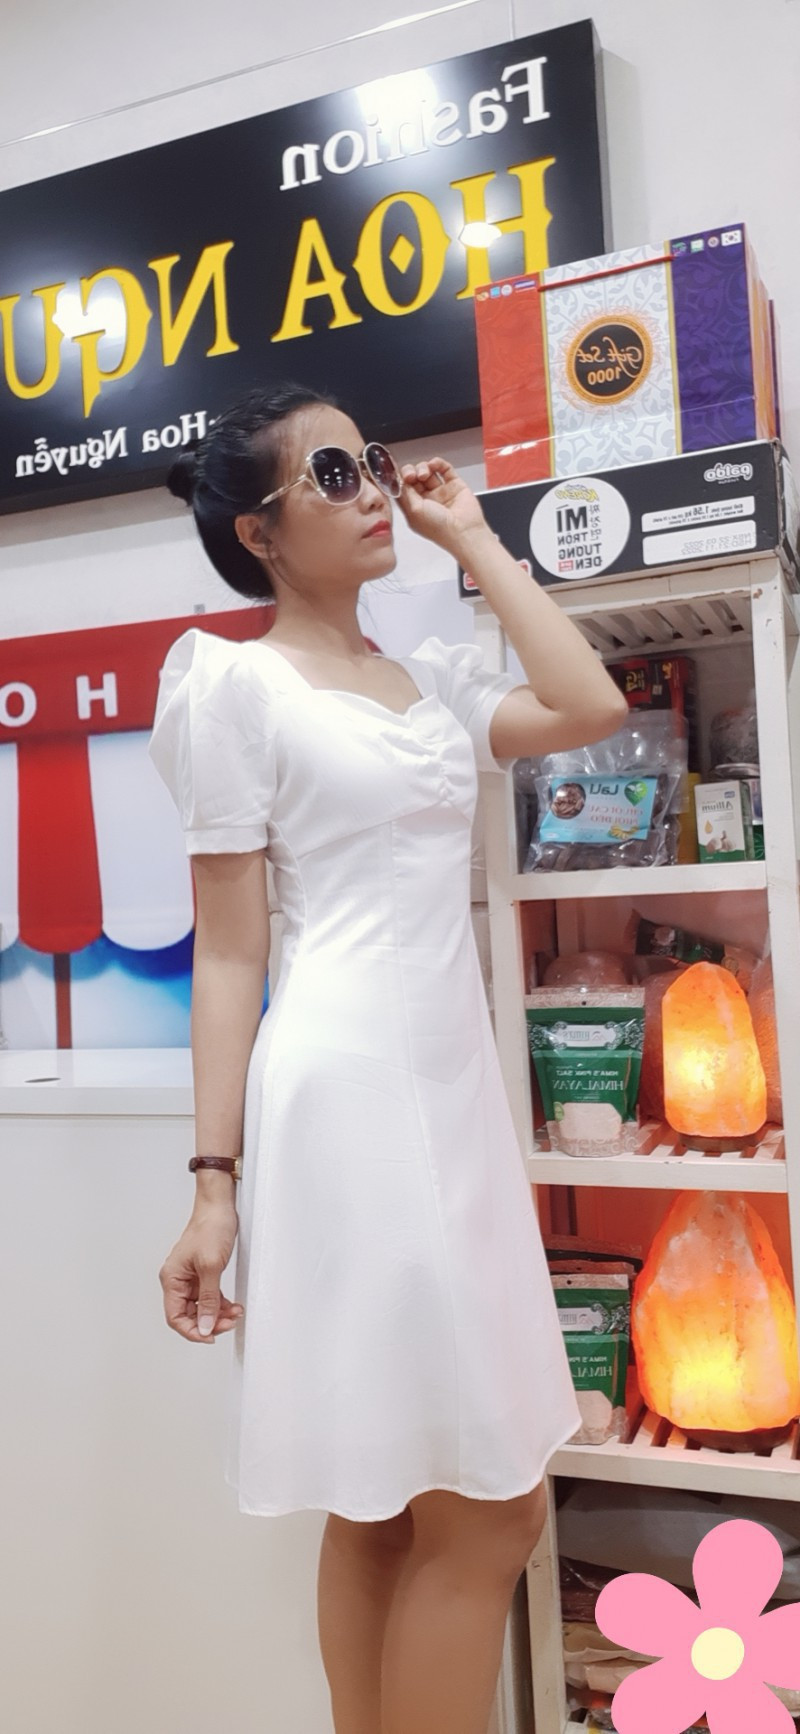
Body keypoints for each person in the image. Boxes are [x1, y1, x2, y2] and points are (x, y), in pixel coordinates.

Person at [148, 381, 628, 1734]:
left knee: (390, 1497)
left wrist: (469, 536)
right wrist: (213, 1186)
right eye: (333, 474)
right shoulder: (232, 686)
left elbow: (587, 702)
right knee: (484, 1509)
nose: (371, 490)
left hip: (452, 1096)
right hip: (347, 1097)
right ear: (258, 533)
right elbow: (229, 953)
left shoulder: (428, 680)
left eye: (370, 461)